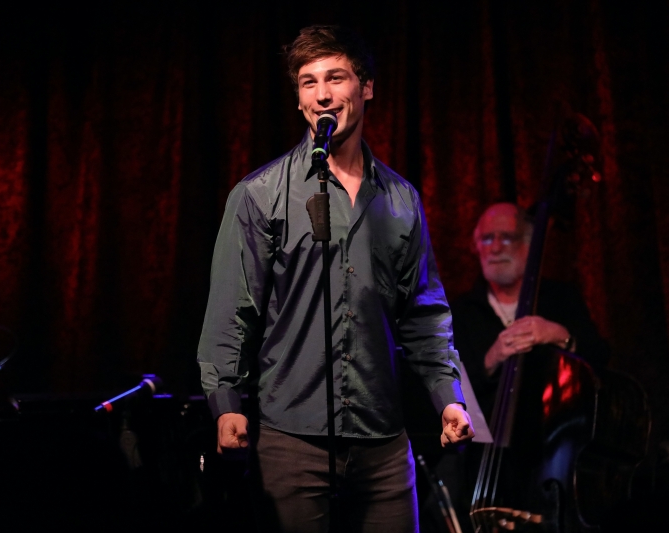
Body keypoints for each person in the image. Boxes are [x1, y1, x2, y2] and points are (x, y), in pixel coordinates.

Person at [197, 25, 474, 532]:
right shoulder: (259, 194)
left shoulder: (401, 199)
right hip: (292, 442)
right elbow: (232, 312)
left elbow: (423, 312)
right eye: (308, 82)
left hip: (384, 443)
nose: (322, 94)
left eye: (335, 77)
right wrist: (225, 405)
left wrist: (447, 396)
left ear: (365, 87)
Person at [451, 202, 609, 417]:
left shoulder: (561, 297)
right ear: (476, 247)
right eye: (487, 238)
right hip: (481, 447)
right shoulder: (459, 313)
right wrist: (490, 360)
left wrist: (561, 337)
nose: (496, 248)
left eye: (507, 237)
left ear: (529, 245)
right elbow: (446, 394)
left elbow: (600, 362)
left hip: (554, 438)